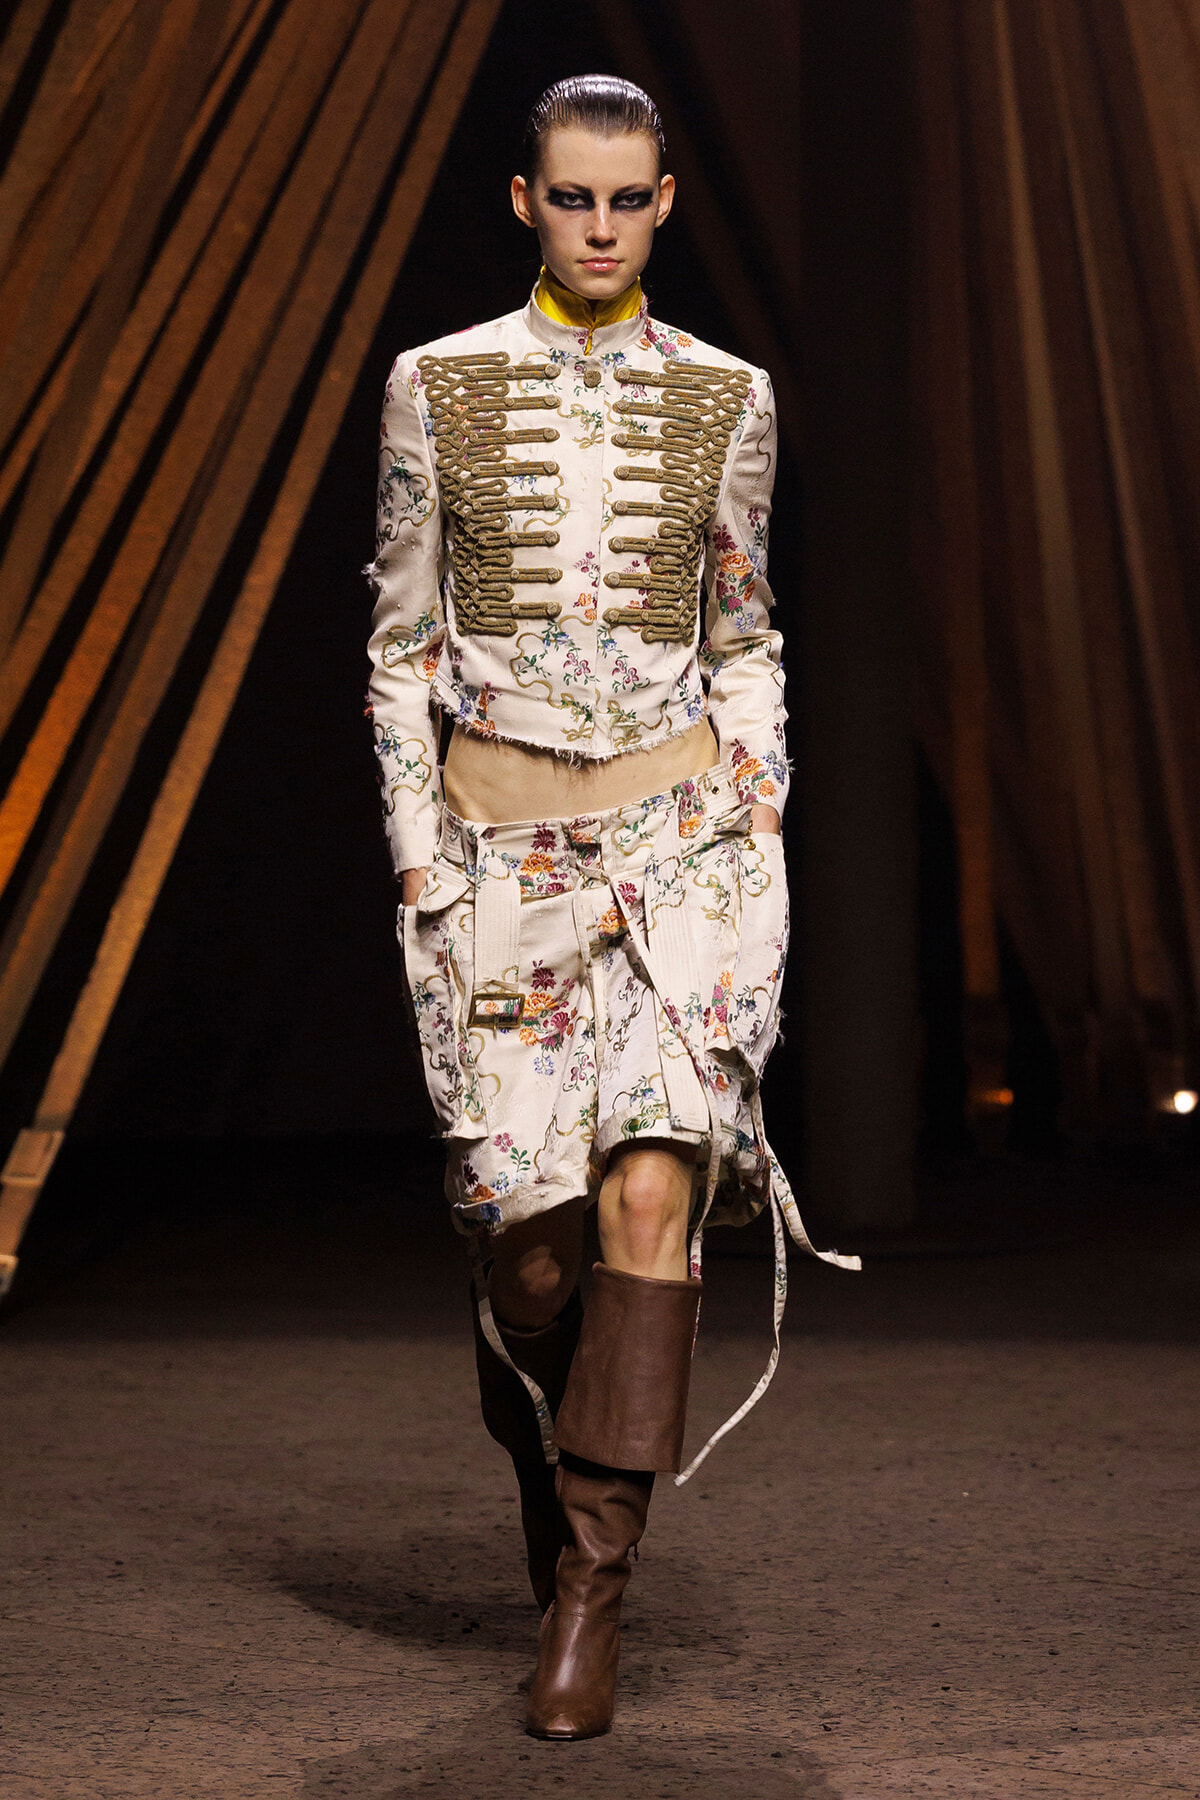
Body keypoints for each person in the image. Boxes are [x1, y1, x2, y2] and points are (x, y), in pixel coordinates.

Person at [365, 74, 856, 1742]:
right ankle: (556, 1454)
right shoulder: (436, 385)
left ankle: (590, 1596)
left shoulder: (730, 396)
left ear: (662, 204)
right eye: (570, 197)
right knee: (529, 1256)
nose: (599, 226)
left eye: (627, 199)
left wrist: (759, 801)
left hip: (680, 857)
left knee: (654, 1193)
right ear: (525, 201)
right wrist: (421, 859)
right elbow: (400, 648)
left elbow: (745, 630)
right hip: (499, 867)